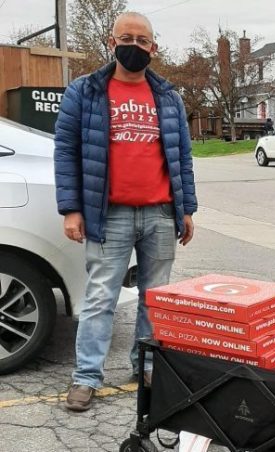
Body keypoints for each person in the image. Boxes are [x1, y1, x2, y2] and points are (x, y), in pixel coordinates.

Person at [54, 11, 197, 412]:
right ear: (111, 42)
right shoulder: (85, 92)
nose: (135, 46)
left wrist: (186, 209)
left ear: (153, 47)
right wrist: (71, 209)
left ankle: (147, 367)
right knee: (100, 298)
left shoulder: (168, 96)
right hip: (108, 215)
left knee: (155, 299)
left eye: (143, 40)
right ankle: (86, 378)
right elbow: (65, 152)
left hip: (160, 214)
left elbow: (182, 157)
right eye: (127, 38)